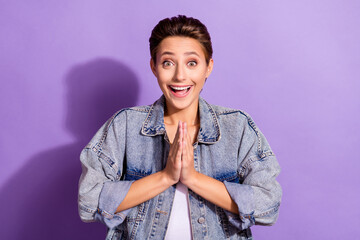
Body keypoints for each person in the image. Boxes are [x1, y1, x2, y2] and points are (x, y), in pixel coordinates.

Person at [78, 15, 282, 240]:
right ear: (154, 67)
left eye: (192, 63)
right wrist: (165, 177)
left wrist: (193, 178)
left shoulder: (237, 127)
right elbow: (89, 201)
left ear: (208, 67)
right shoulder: (125, 126)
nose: (180, 76)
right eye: (168, 63)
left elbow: (269, 205)